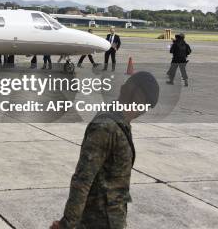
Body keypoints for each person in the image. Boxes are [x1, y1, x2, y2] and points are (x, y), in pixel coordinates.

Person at [50, 71, 160, 229]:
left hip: (113, 219)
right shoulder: (106, 127)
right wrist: (67, 223)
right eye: (145, 104)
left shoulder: (121, 124)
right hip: (98, 221)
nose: (143, 111)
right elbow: (83, 178)